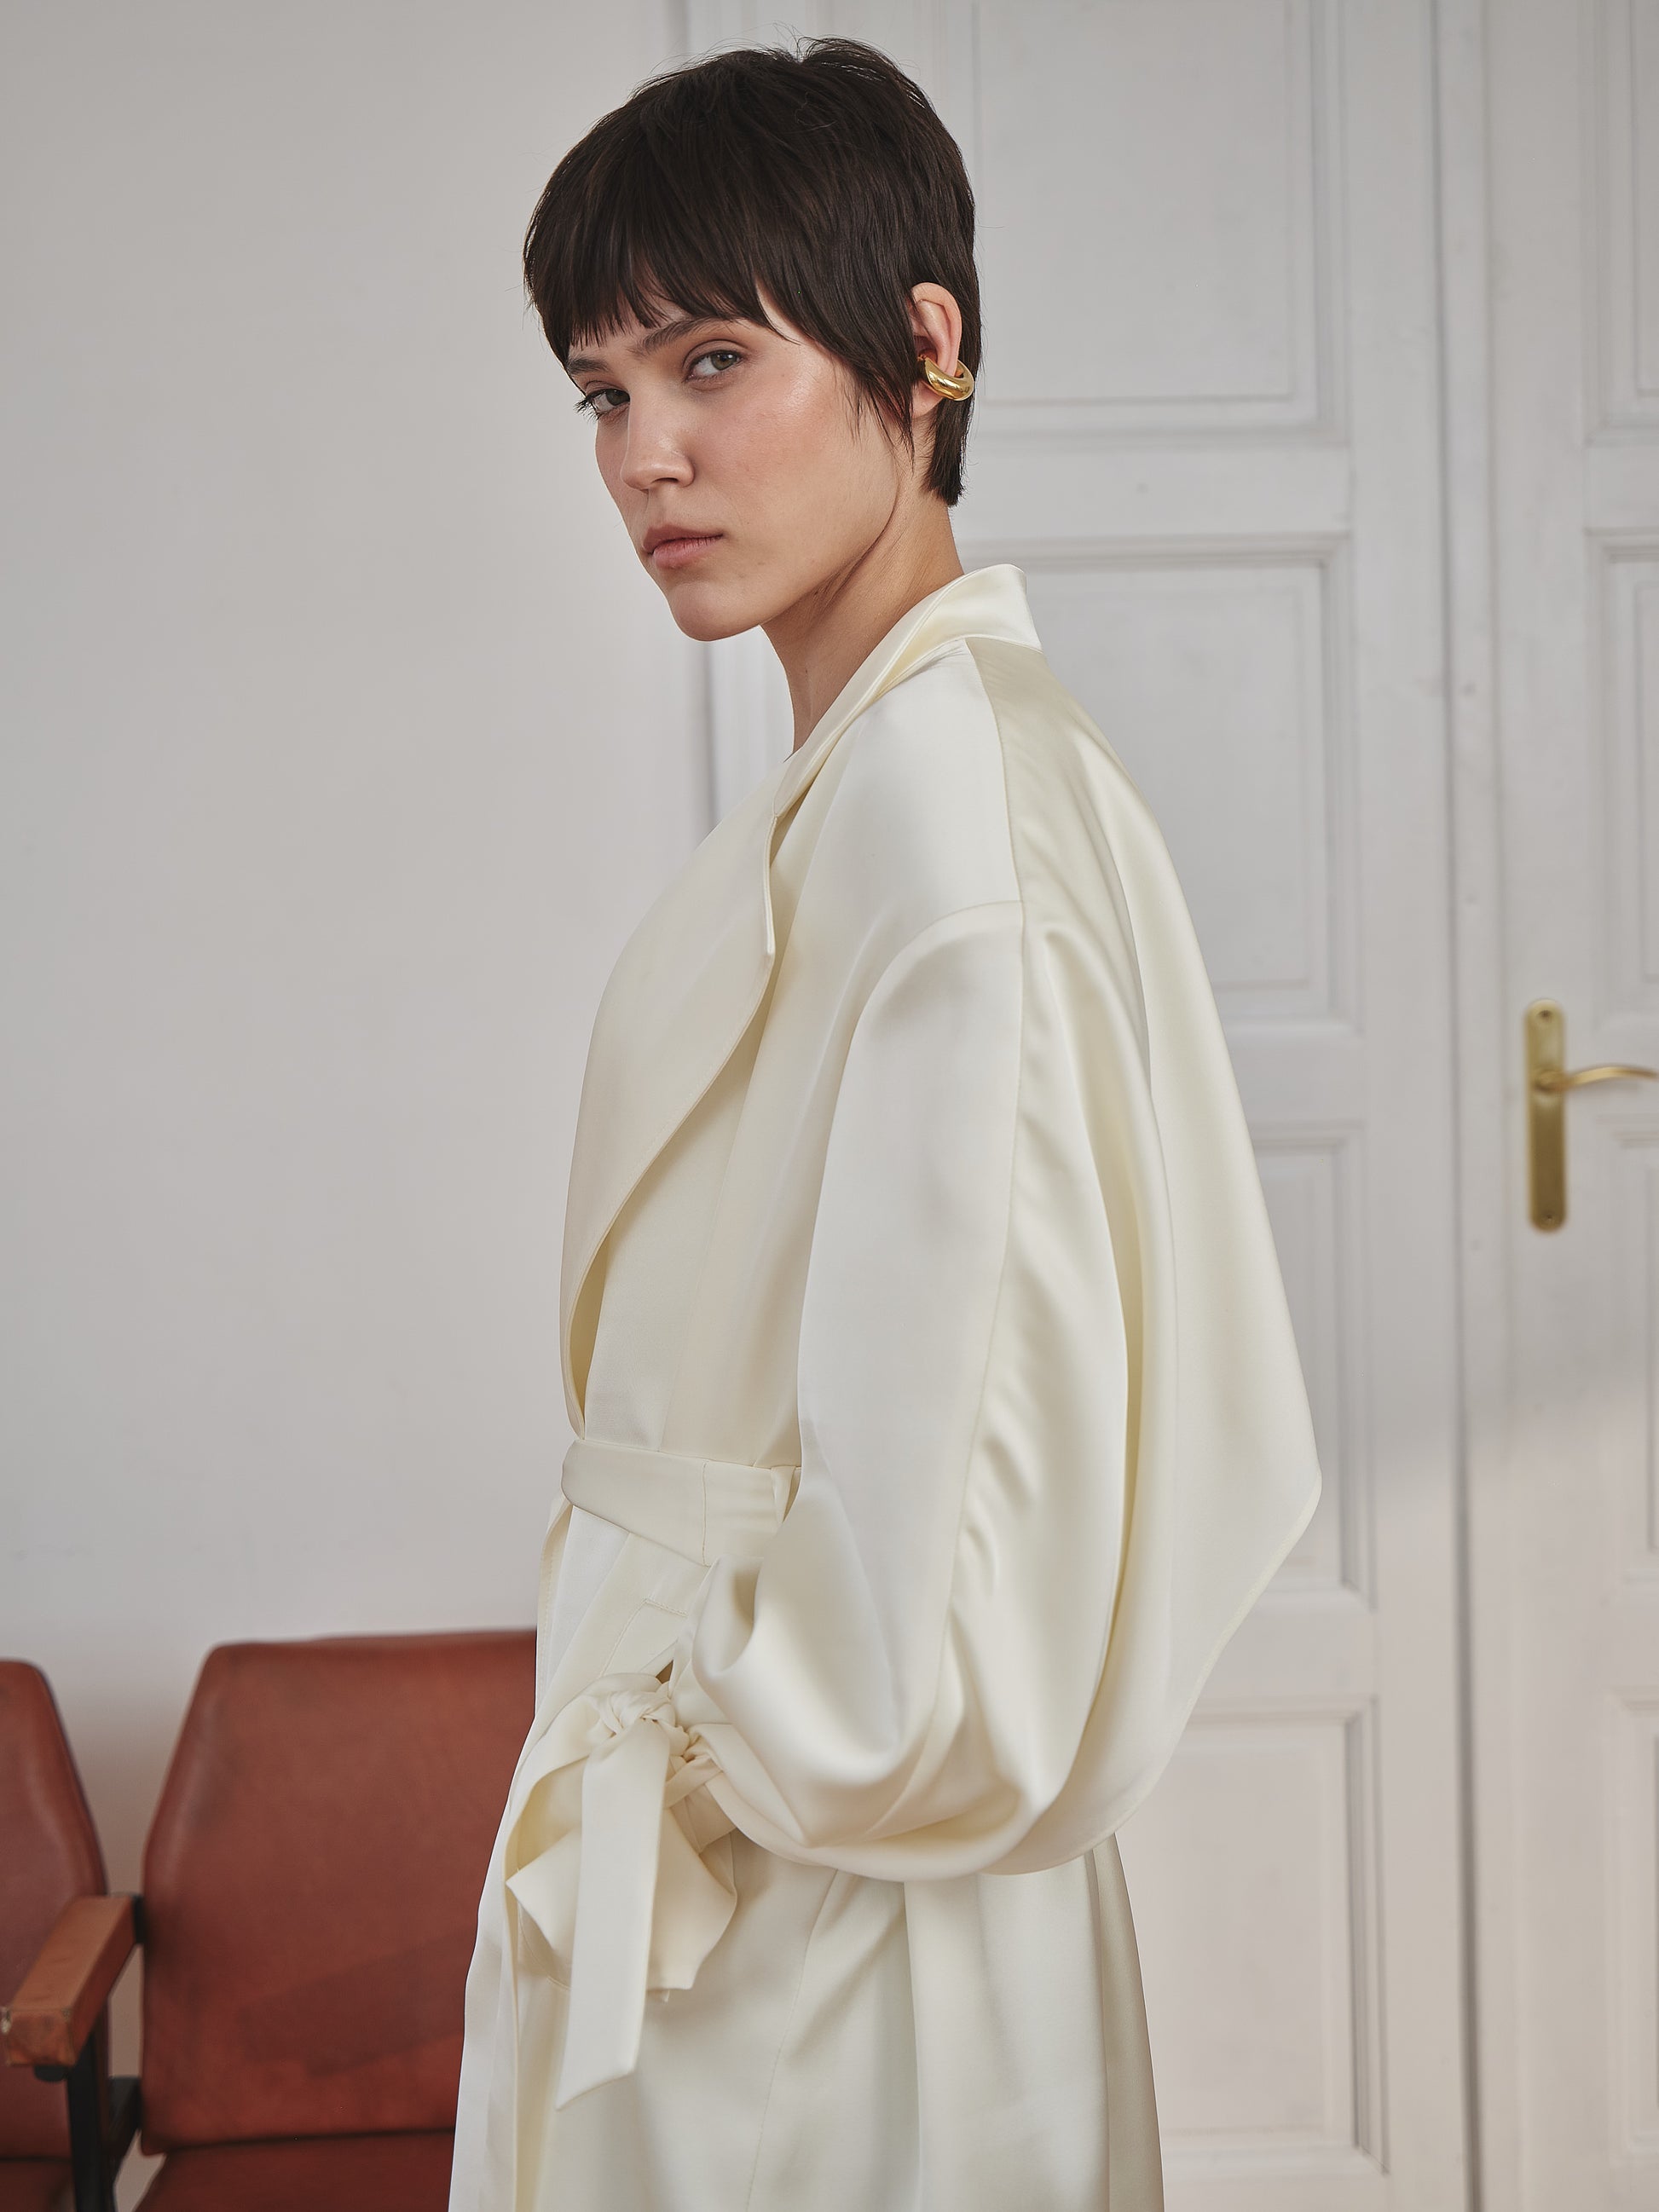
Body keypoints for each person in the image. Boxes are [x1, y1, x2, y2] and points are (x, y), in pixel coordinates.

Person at [448, 35, 1321, 2212]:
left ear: (923, 349)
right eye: (599, 393)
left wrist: (721, 1764)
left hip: (815, 1909)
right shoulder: (869, 779)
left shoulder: (954, 818)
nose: (647, 454)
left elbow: (957, 1563)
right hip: (730, 1854)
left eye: (710, 360)